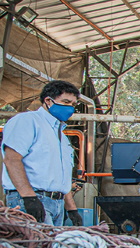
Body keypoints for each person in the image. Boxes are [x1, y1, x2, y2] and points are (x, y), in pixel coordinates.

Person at [2, 80, 83, 226]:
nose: (70, 108)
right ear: (48, 101)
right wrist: (29, 197)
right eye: (66, 102)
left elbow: (61, 177)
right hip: (32, 198)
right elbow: (12, 159)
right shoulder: (28, 121)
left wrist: (71, 209)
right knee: (35, 246)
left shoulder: (62, 137)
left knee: (53, 247)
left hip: (57, 203)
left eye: (73, 104)